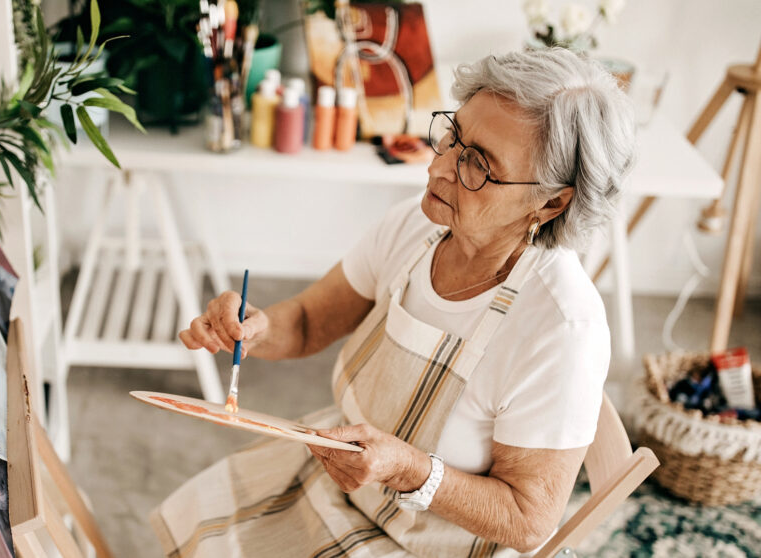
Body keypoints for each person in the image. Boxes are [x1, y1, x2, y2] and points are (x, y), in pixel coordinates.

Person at [153, 47, 636, 557]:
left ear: (551, 201)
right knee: (202, 520)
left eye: (478, 165)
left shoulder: (562, 327)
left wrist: (410, 470)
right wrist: (255, 328)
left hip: (437, 542)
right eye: (453, 136)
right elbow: (311, 321)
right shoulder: (417, 225)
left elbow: (528, 520)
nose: (439, 169)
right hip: (347, 487)